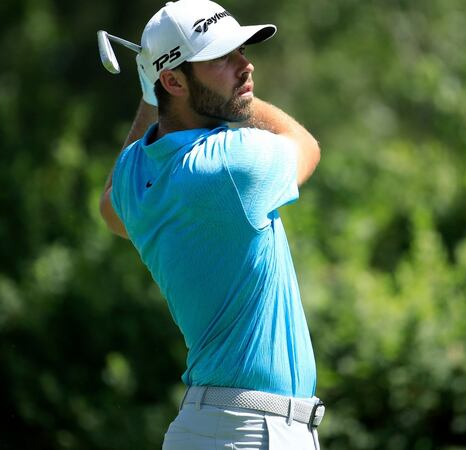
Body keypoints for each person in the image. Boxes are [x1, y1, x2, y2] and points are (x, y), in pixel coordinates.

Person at [98, 1, 323, 448]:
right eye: (222, 58)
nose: (245, 65)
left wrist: (151, 98)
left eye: (241, 51)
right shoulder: (229, 165)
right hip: (253, 429)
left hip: (212, 427)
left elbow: (109, 207)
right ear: (173, 80)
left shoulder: (134, 175)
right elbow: (305, 145)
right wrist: (242, 100)